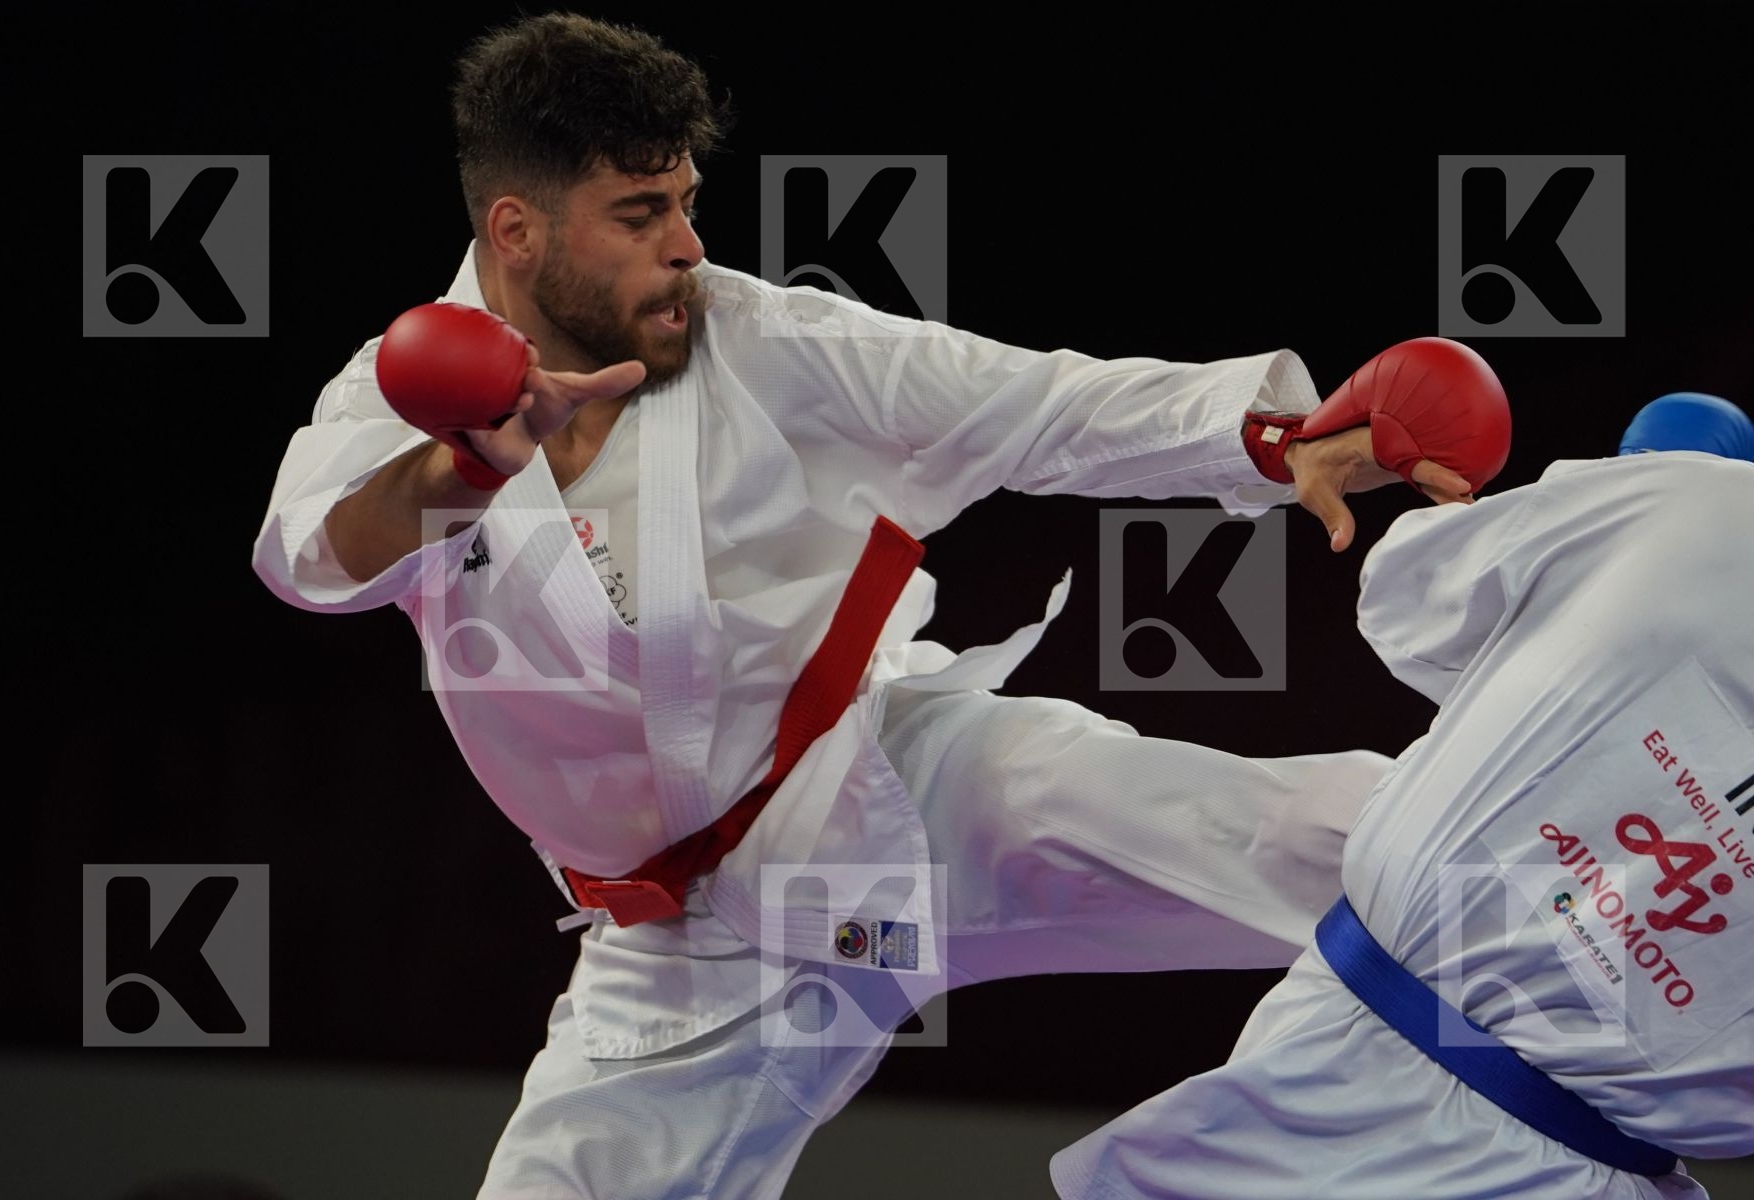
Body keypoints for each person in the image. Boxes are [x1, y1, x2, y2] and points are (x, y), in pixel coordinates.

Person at [251, 12, 1476, 1197]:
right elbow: (311, 559)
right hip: (690, 949)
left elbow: (1033, 403)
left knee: (1300, 835)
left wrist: (1269, 440)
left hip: (897, 785)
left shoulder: (759, 336)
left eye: (685, 200)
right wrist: (462, 469)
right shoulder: (398, 399)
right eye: (640, 215)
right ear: (517, 231)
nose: (685, 244)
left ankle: (1585, 839)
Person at [1050, 393, 1754, 1199]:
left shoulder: (1705, 504)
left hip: (1335, 1065)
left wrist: (1622, 558)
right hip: (1531, 1142)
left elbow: (1406, 606)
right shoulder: (1704, 502)